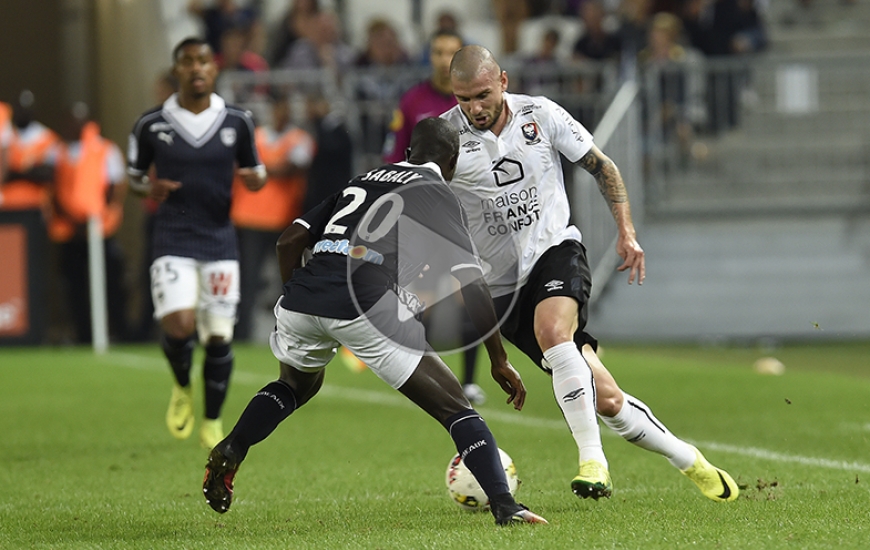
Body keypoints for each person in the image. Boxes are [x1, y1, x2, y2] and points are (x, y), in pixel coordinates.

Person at [202, 117, 548, 526]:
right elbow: (471, 282)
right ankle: (506, 507)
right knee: (457, 408)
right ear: (451, 161)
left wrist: (301, 292)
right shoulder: (436, 191)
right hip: (363, 304)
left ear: (407, 153)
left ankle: (233, 447)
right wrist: (498, 357)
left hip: (302, 298)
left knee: (295, 385)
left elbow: (289, 241)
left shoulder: (362, 179)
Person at [442, 45, 739, 502]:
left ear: (503, 80)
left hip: (555, 249)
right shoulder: (443, 136)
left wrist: (627, 232)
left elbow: (603, 167)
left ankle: (592, 461)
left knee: (553, 331)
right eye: (464, 99)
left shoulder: (539, 114)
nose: (474, 108)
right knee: (606, 398)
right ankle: (689, 459)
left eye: (482, 95)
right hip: (499, 286)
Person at [126, 37, 266, 450]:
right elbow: (132, 177)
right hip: (172, 236)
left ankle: (211, 419)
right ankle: (182, 385)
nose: (196, 68)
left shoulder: (237, 120)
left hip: (220, 238)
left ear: (214, 68)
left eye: (203, 60)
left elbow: (255, 171)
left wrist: (256, 180)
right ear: (177, 69)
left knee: (219, 336)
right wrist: (147, 187)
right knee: (181, 325)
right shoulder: (152, 124)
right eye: (187, 61)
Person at [380, 28, 485, 405]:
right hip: (422, 216)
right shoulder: (413, 100)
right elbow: (394, 156)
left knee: (467, 291)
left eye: (451, 52)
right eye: (438, 52)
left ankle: (470, 380)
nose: (444, 59)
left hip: (466, 213)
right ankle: (419, 375)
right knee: (417, 296)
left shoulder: (476, 101)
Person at [231, 92, 314, 342]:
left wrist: (260, 169)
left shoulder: (299, 139)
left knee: (286, 281)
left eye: (284, 108)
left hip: (283, 219)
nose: (280, 113)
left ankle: (289, 334)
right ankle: (241, 334)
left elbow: (292, 167)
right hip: (250, 218)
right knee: (248, 280)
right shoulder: (255, 137)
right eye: (277, 108)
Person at [49, 102, 130, 344]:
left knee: (109, 283)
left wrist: (97, 215)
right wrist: (70, 218)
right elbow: (53, 188)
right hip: (70, 230)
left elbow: (115, 185)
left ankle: (117, 331)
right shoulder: (58, 151)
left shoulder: (104, 149)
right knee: (75, 286)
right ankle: (83, 334)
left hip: (99, 229)